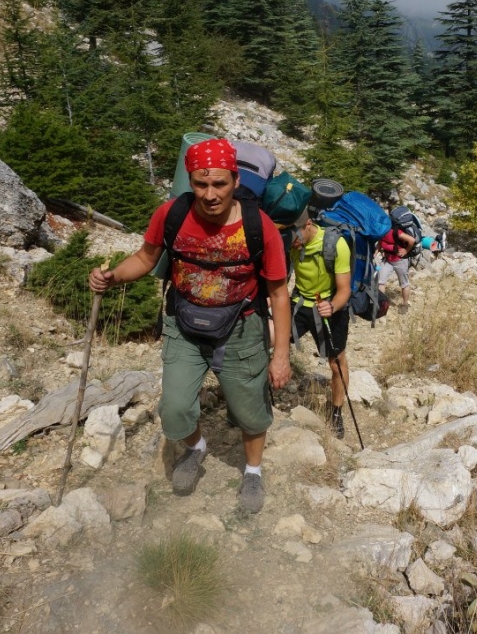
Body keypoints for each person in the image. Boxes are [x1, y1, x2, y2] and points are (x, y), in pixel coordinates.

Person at [88, 139, 291, 512]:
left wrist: (281, 355)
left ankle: (253, 472)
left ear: (234, 179)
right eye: (201, 184)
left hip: (241, 326)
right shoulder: (172, 214)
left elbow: (278, 294)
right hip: (184, 322)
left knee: (248, 412)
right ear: (190, 182)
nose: (210, 194)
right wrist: (113, 276)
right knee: (175, 408)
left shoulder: (257, 225)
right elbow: (145, 258)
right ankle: (196, 448)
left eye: (220, 184)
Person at [288, 209, 352, 439]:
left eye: (295, 236)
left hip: (330, 304)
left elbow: (345, 290)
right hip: (299, 303)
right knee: (268, 339)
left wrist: (332, 306)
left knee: (336, 363)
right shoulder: (290, 241)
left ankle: (336, 411)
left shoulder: (336, 244)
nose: (292, 243)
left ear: (308, 225)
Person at [377, 224, 417, 312]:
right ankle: (381, 305)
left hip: (400, 260)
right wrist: (375, 253)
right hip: (387, 260)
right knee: (381, 281)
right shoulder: (380, 231)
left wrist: (406, 250)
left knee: (404, 283)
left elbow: (412, 240)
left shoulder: (396, 232)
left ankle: (405, 304)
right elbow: (380, 243)